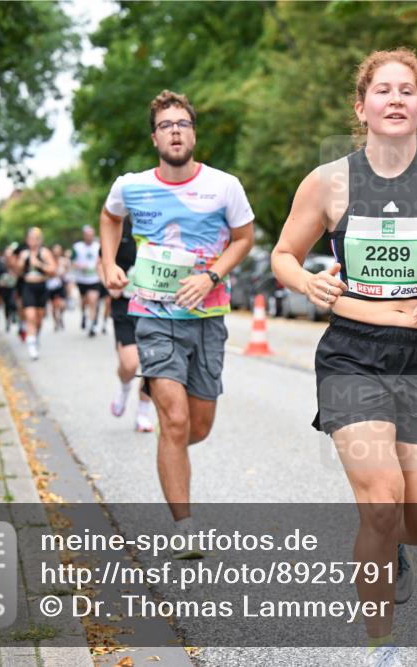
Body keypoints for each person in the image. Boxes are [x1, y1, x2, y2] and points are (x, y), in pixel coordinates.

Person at [272, 49, 417, 666]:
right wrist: (309, 282)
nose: (395, 99)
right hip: (354, 354)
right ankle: (381, 645)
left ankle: (391, 539)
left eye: (407, 91)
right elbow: (283, 255)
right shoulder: (328, 181)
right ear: (362, 106)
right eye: (383, 90)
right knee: (380, 501)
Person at [99, 90, 255, 540]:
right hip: (152, 315)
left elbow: (244, 239)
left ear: (193, 134)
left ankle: (170, 448)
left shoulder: (224, 186)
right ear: (155, 138)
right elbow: (110, 218)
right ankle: (184, 528)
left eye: (182, 123)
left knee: (197, 427)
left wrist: (210, 276)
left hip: (208, 318)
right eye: (166, 125)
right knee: (175, 417)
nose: (175, 131)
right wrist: (110, 263)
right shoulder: (131, 185)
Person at [98, 216, 156, 432]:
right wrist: (108, 282)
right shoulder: (118, 225)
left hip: (154, 306)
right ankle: (124, 387)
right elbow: (101, 260)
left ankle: (142, 413)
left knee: (152, 365)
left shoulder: (161, 226)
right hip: (125, 304)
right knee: (130, 365)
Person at [14, 227, 56, 360]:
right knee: (30, 316)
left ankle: (35, 337)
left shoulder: (44, 253)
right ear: (27, 240)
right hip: (28, 286)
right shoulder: (24, 254)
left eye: (36, 238)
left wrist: (39, 264)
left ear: (40, 240)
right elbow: (18, 272)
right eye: (31, 238)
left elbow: (53, 270)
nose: (34, 241)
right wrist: (20, 264)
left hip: (41, 286)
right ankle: (31, 345)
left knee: (39, 318)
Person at [72, 225, 102, 336]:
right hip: (81, 279)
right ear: (84, 236)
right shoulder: (77, 247)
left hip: (94, 279)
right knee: (84, 301)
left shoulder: (98, 246)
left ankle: (91, 325)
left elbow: (103, 260)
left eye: (91, 235)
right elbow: (72, 261)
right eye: (87, 235)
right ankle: (84, 314)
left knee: (93, 300)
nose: (89, 237)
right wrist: (79, 266)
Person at [46, 244, 69, 331]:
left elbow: (67, 271)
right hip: (51, 285)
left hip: (61, 284)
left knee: (62, 305)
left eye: (58, 251)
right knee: (54, 306)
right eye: (55, 251)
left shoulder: (63, 261)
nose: (56, 253)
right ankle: (55, 322)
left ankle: (61, 317)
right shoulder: (49, 260)